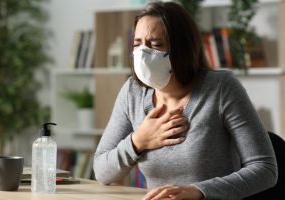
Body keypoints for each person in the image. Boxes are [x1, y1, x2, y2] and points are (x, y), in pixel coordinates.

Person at [93, 1, 277, 200]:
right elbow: (102, 171)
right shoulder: (132, 92)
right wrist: (139, 141)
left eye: (155, 45)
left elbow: (265, 169)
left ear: (182, 49)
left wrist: (198, 191)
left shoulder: (221, 88)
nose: (143, 54)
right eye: (137, 44)